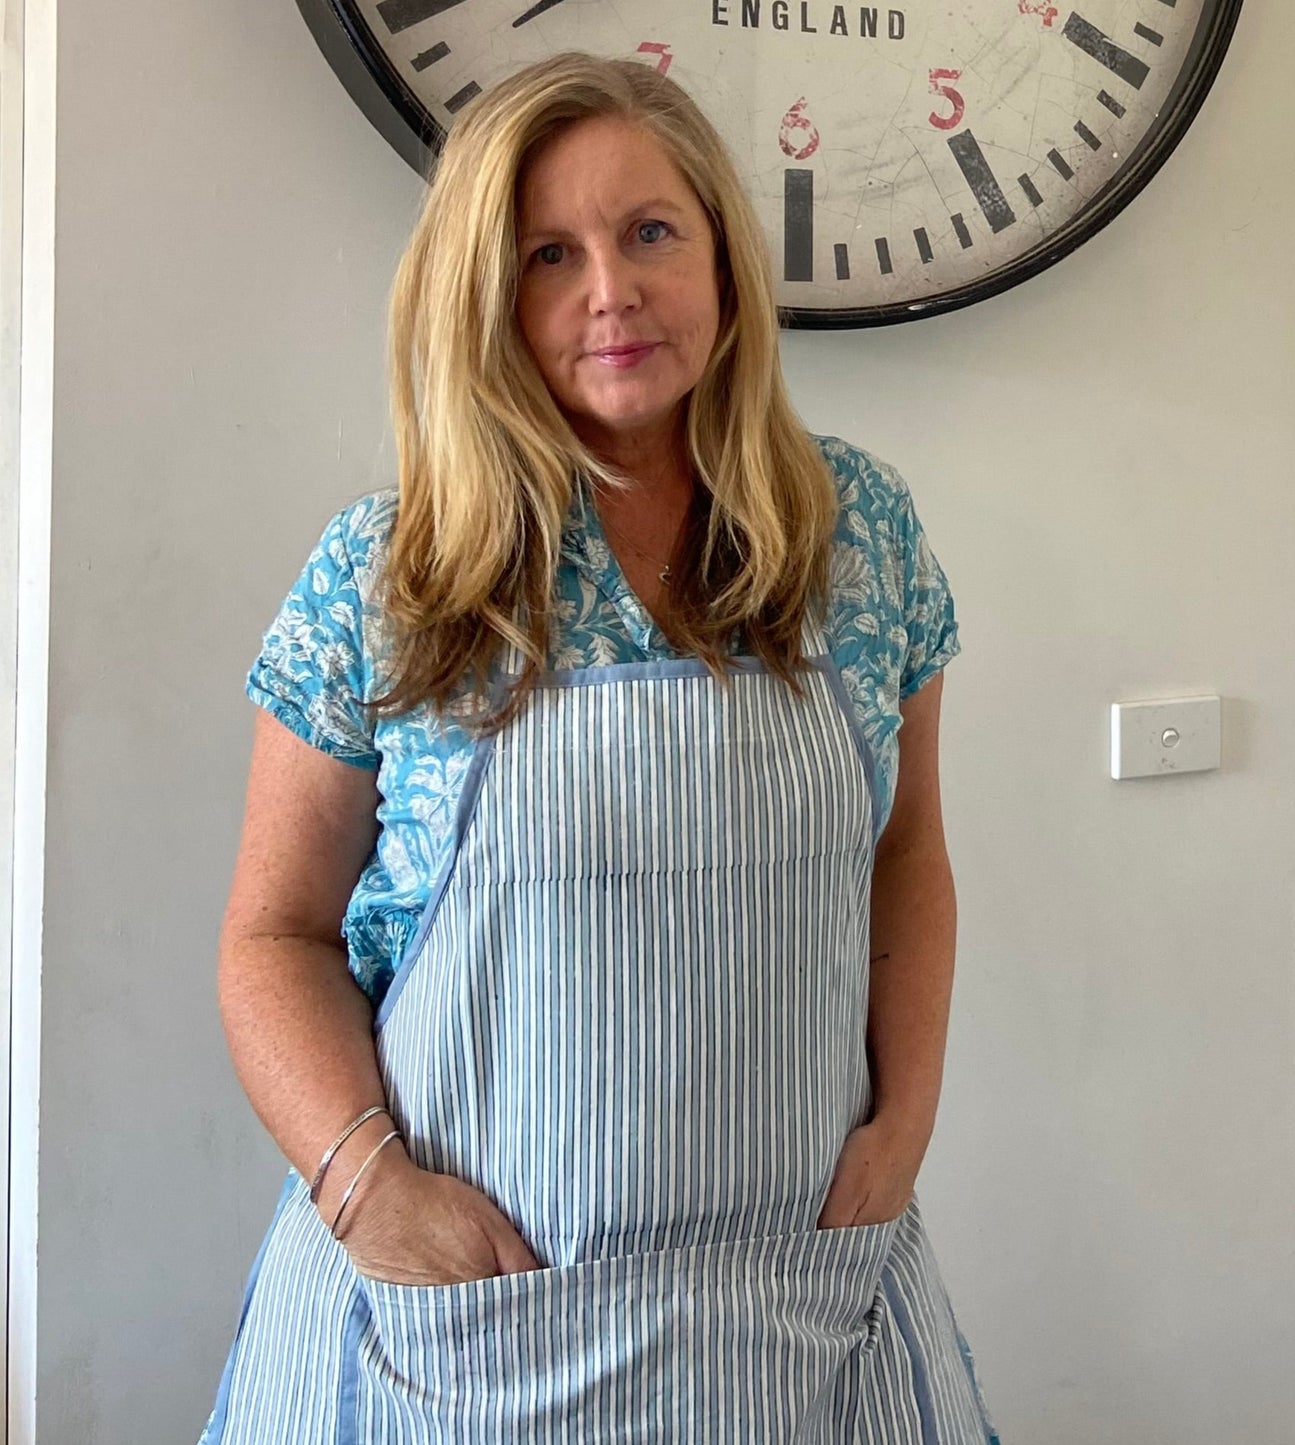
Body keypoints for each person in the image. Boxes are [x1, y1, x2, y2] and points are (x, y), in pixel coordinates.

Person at [200, 50, 1000, 1445]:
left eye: (649, 233)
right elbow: (273, 934)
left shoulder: (855, 534)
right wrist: (364, 1184)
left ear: (723, 262)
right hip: (467, 1332)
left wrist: (903, 1125)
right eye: (546, 255)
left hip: (791, 1311)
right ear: (483, 301)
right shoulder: (392, 576)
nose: (610, 291)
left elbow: (907, 853)